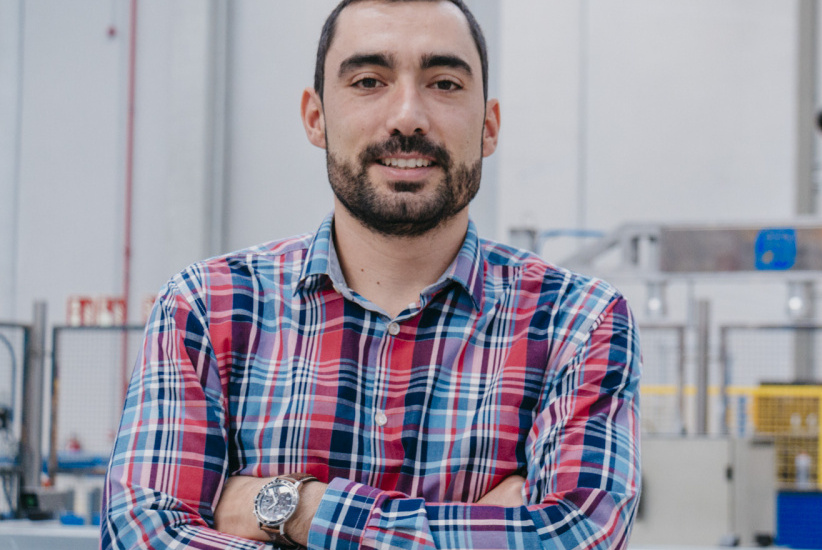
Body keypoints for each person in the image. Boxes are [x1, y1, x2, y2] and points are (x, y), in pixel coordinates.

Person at [101, 0, 641, 548]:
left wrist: (294, 509)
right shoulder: (207, 308)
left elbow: (577, 535)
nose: (407, 116)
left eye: (445, 83)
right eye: (368, 80)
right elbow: (140, 536)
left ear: (489, 126)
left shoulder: (578, 323)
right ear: (316, 117)